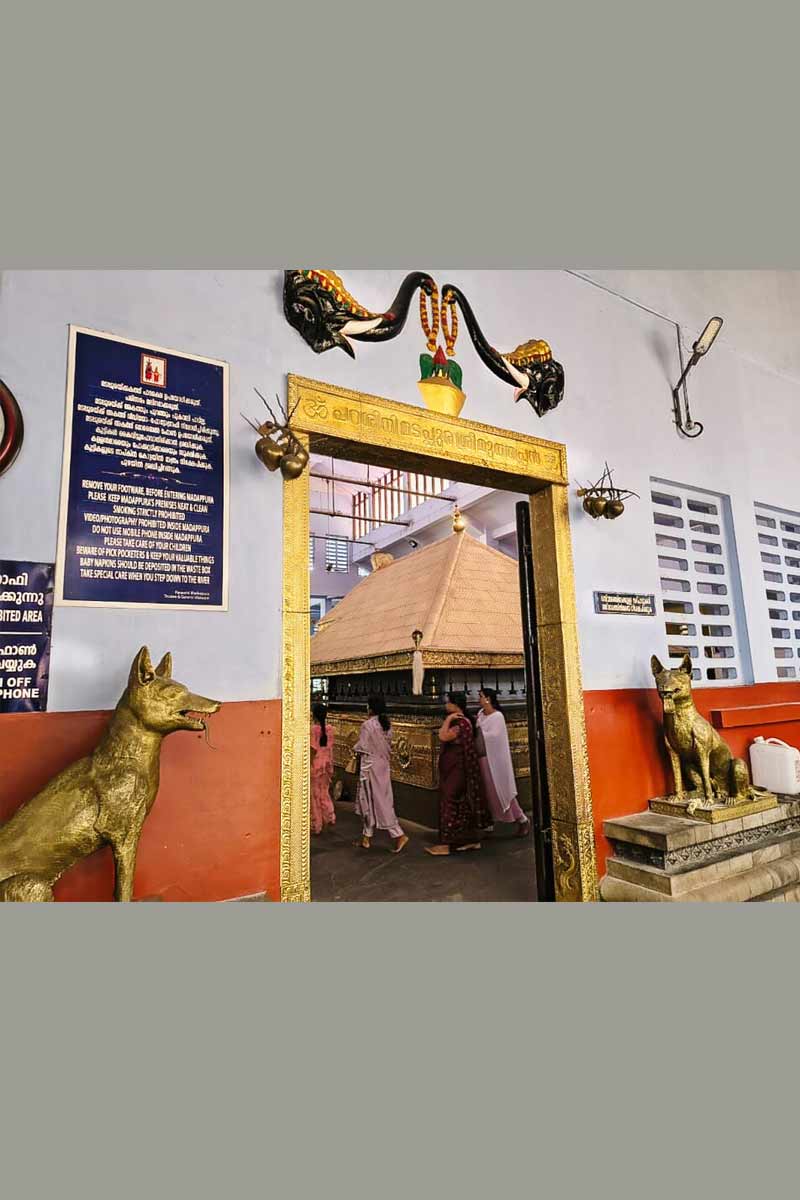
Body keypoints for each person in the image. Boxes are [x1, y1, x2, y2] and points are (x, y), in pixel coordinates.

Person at [426, 692, 491, 856]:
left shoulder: (460, 722)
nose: (445, 704)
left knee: (450, 801)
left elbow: (443, 736)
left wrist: (448, 719)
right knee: (460, 804)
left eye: (448, 702)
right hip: (454, 768)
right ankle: (470, 840)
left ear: (455, 705)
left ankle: (448, 844)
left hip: (457, 769)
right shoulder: (463, 721)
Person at [352, 695, 409, 853]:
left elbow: (363, 746)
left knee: (374, 801)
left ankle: (398, 834)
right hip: (382, 766)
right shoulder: (387, 724)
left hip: (370, 768)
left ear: (370, 708)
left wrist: (354, 748)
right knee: (379, 799)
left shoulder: (367, 725)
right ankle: (366, 837)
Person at [476, 688, 531, 836]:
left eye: (481, 696)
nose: (479, 699)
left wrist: (480, 732)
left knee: (501, 791)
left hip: (496, 760)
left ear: (488, 699)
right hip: (483, 757)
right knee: (487, 792)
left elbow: (495, 736)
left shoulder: (497, 716)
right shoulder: (480, 714)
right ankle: (489, 824)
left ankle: (522, 819)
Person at [310, 702, 336, 835]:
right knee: (324, 792)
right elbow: (330, 749)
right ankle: (330, 816)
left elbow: (313, 749)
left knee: (314, 796)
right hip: (326, 765)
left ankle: (317, 824)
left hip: (316, 765)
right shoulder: (330, 729)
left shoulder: (313, 730)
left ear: (313, 715)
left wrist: (308, 764)